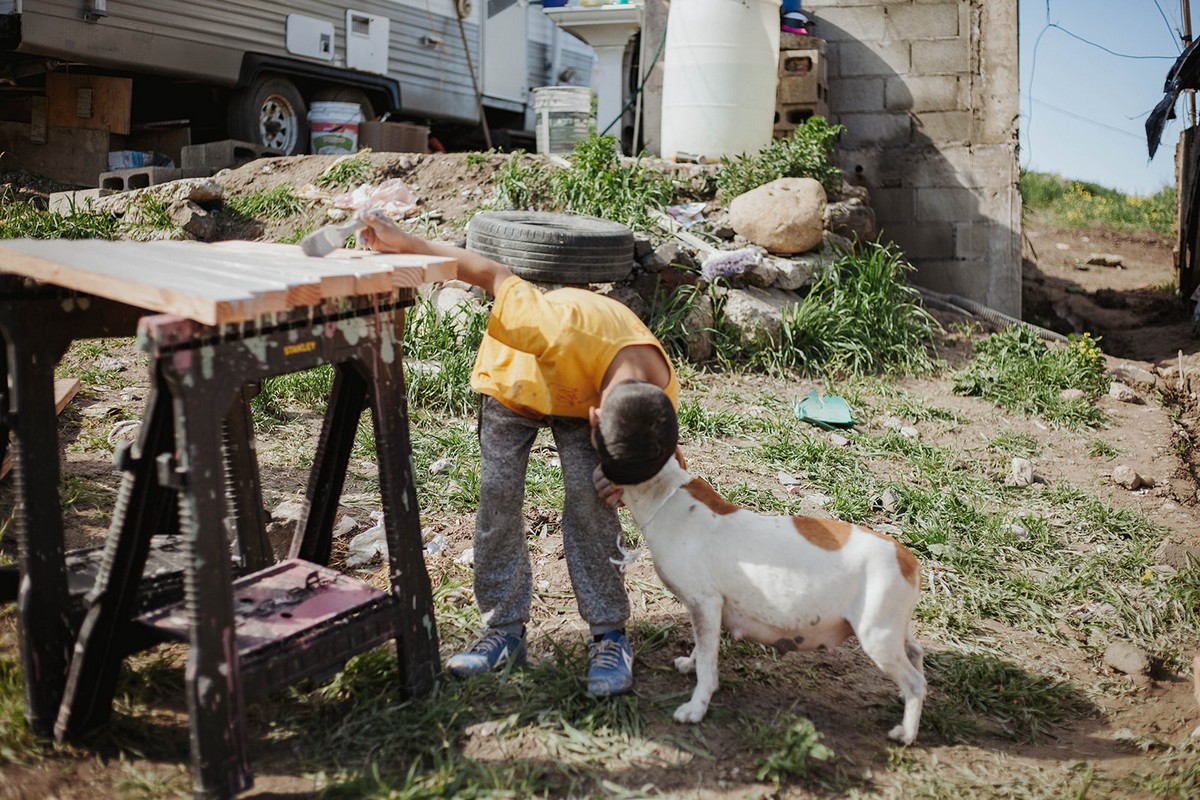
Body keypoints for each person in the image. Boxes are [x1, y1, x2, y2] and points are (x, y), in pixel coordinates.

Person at [360, 211, 680, 696]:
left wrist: (624, 479)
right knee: (498, 494)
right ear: (597, 418)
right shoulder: (548, 324)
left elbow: (665, 463)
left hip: (583, 387)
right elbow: (489, 272)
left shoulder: (656, 399)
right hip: (520, 380)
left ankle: (609, 635)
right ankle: (504, 631)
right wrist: (405, 241)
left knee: (591, 499)